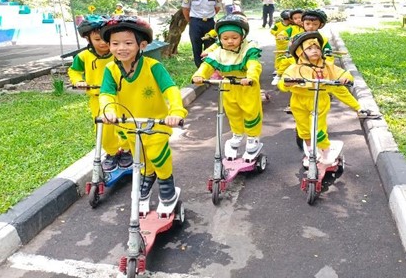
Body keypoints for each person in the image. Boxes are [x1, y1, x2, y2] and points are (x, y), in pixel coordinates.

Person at [98, 16, 188, 204]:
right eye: (115, 43)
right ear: (109, 45)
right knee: (140, 157)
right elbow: (106, 93)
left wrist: (176, 111)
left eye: (128, 43)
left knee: (157, 154)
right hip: (130, 123)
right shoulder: (111, 69)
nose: (121, 48)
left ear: (142, 45)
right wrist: (108, 110)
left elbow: (170, 89)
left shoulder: (153, 66)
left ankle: (165, 180)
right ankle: (148, 175)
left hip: (156, 123)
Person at [277, 31, 369, 166]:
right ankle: (310, 151)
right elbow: (282, 83)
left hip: (319, 100)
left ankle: (325, 151)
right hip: (298, 101)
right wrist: (287, 83)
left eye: (317, 48)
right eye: (309, 48)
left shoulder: (327, 66)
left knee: (318, 129)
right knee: (303, 129)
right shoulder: (294, 68)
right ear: (299, 52)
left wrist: (345, 78)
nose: (314, 50)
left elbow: (343, 74)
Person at [68, 15, 133, 172]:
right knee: (103, 129)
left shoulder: (118, 53)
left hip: (120, 95)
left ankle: (127, 150)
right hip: (97, 98)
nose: (103, 43)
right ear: (88, 39)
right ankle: (111, 152)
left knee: (124, 124)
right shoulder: (83, 57)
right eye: (97, 39)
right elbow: (74, 71)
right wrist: (78, 81)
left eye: (105, 38)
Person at [192, 14, 263, 154]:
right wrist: (199, 75)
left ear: (242, 36)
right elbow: (207, 65)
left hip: (246, 85)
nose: (230, 41)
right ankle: (237, 133)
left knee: (251, 111)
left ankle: (253, 136)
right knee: (232, 112)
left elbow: (254, 65)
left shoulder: (248, 49)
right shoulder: (218, 52)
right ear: (220, 38)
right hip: (228, 86)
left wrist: (251, 77)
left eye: (234, 38)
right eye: (225, 38)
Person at [182, 0, 221, 67]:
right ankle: (199, 67)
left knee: (210, 45)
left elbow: (217, 8)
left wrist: (209, 16)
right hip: (195, 23)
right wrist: (191, 21)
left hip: (210, 23)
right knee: (196, 46)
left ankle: (209, 66)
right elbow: (185, 9)